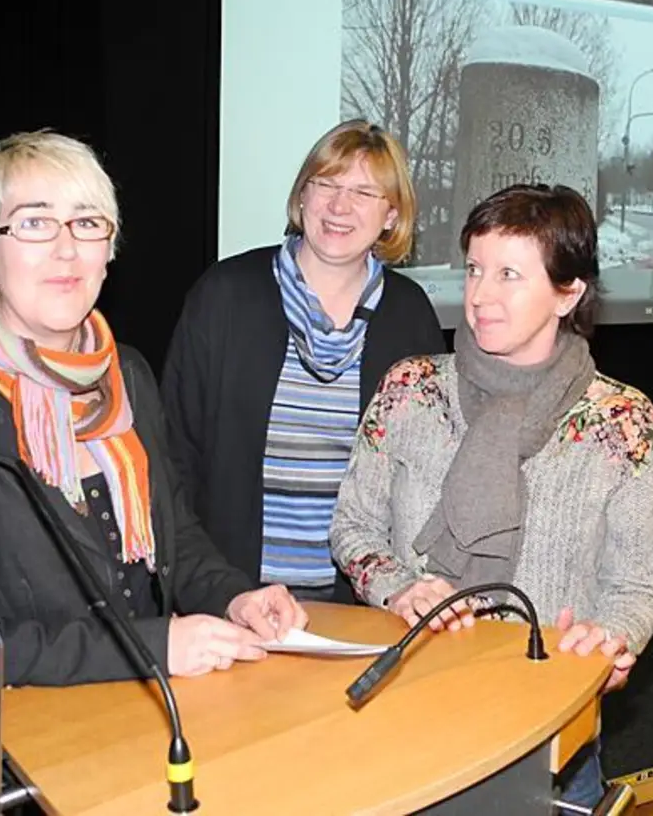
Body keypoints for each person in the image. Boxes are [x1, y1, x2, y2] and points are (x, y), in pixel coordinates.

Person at [0, 131, 308, 687]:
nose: (66, 249)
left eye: (86, 222)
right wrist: (151, 648)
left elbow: (176, 531)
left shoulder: (127, 374)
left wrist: (234, 596)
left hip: (167, 705)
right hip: (38, 738)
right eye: (34, 223)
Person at [329, 184, 653, 808]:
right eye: (475, 269)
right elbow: (353, 529)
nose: (480, 295)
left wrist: (611, 639)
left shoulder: (622, 421)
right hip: (403, 714)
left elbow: (638, 588)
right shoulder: (409, 389)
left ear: (569, 292)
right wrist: (401, 587)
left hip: (548, 736)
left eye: (509, 274)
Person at [160, 120, 444, 605]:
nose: (339, 206)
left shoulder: (410, 315)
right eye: (327, 185)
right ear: (302, 196)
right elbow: (174, 459)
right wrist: (209, 591)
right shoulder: (225, 296)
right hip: (235, 599)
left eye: (363, 192)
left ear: (391, 216)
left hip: (362, 606)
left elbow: (427, 474)